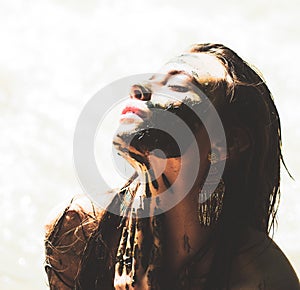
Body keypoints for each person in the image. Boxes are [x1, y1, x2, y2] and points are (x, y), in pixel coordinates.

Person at [44, 43, 300, 290]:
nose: (138, 88)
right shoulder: (78, 230)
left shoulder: (262, 281)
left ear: (229, 142)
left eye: (176, 85)